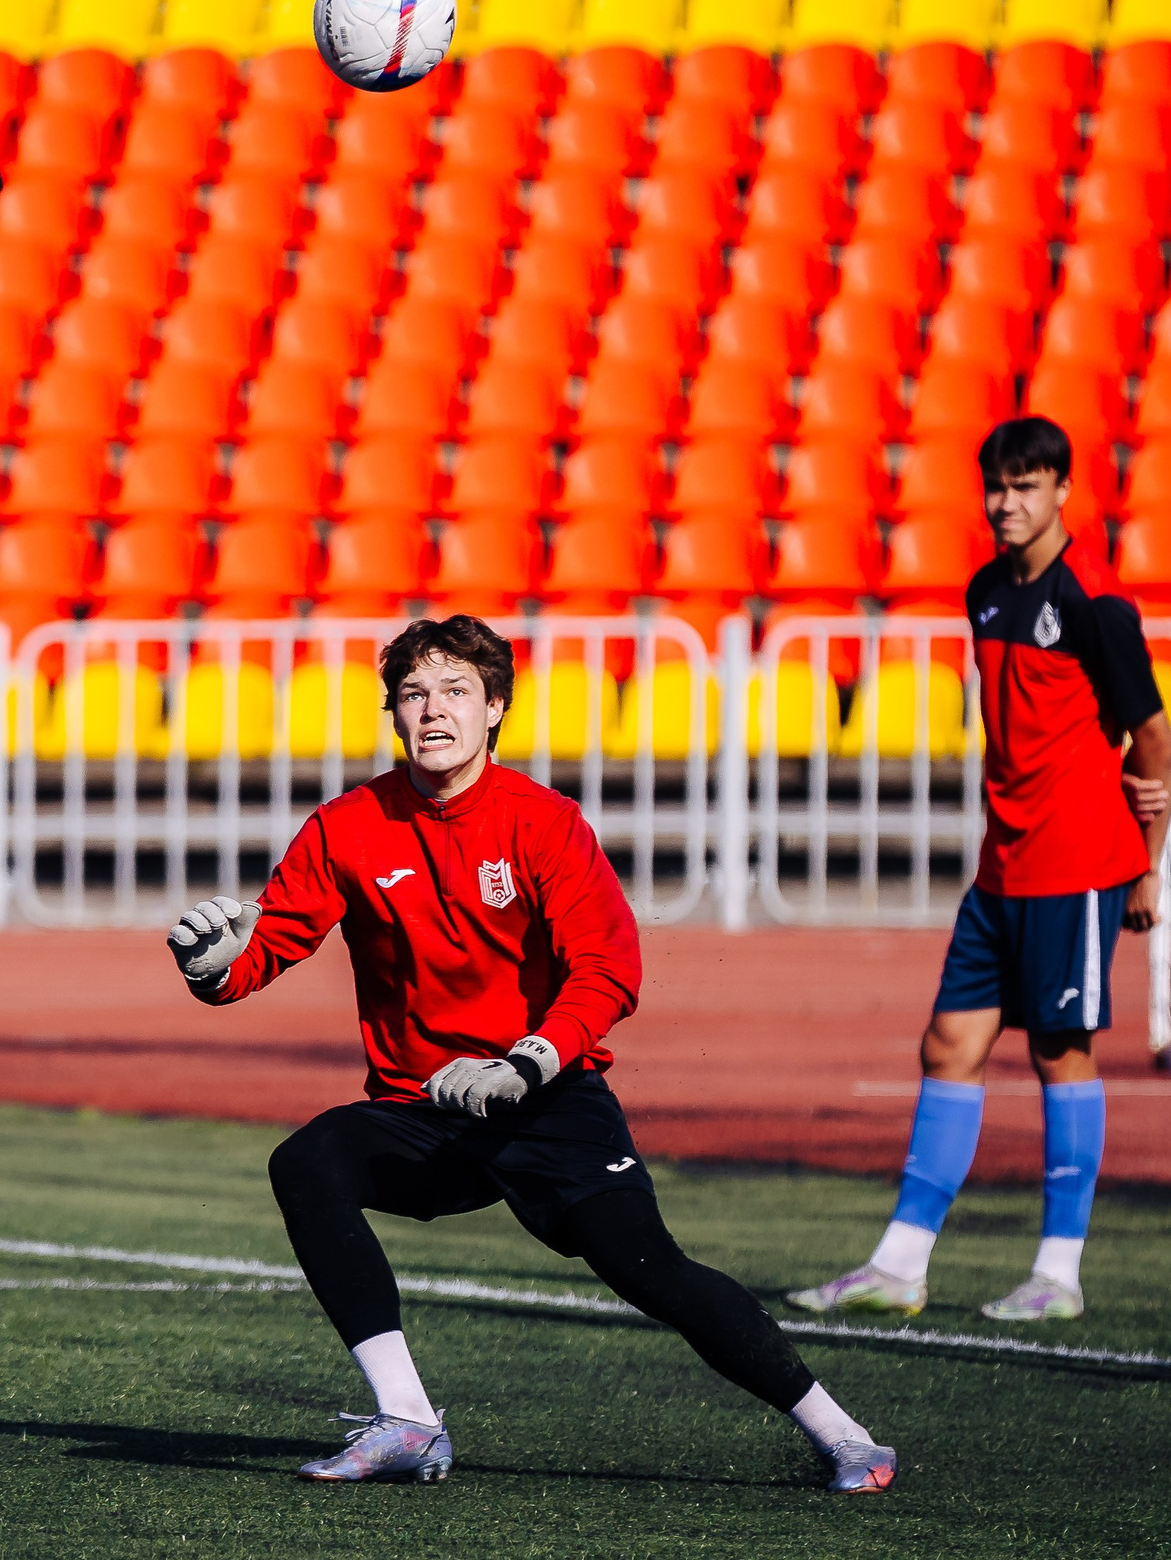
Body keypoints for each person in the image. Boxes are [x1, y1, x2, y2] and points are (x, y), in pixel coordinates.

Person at [167, 615, 896, 1490]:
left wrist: (525, 1063)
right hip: (426, 1107)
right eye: (413, 693)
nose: (433, 710)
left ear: (495, 709)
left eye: (456, 691)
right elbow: (265, 946)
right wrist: (213, 968)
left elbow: (607, 969)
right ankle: (407, 1419)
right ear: (394, 714)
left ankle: (845, 1435)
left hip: (544, 1094)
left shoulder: (544, 822)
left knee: (650, 1268)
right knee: (308, 1160)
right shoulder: (346, 826)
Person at [789, 416, 1171, 1324]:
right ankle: (900, 1264)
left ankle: (1059, 1272)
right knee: (948, 1046)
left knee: (1059, 1051)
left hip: (1077, 866)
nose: (1007, 503)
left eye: (1026, 485)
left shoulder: (1097, 604)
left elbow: (1154, 739)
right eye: (997, 486)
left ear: (1063, 491)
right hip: (1001, 869)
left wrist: (1147, 868)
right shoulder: (985, 592)